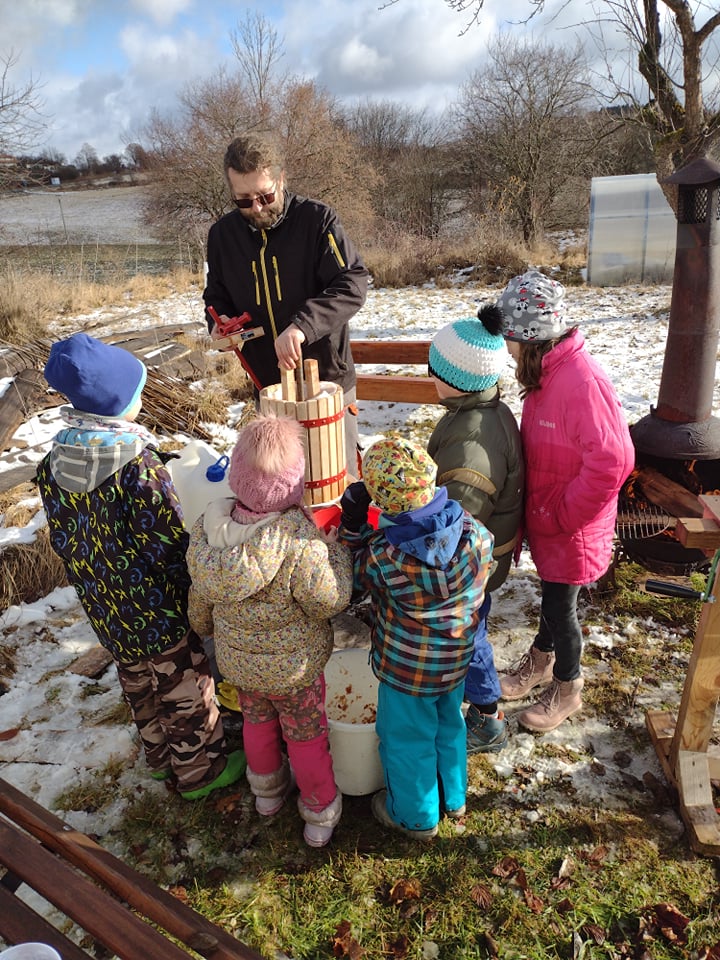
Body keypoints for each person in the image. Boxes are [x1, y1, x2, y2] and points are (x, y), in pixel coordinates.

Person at [37, 333, 245, 800]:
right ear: (116, 404)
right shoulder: (136, 464)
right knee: (182, 685)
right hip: (156, 606)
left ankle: (158, 758)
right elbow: (165, 543)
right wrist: (191, 584)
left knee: (137, 681)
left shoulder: (55, 461)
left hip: (105, 602)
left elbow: (63, 535)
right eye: (136, 394)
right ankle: (200, 771)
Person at [185, 414, 353, 848]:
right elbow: (328, 600)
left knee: (257, 726)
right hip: (294, 672)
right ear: (294, 485)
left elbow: (201, 602)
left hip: (240, 666)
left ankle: (267, 795)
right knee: (306, 738)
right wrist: (335, 555)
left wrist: (205, 627)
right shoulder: (298, 539)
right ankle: (318, 811)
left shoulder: (208, 532)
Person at [496, 270, 635, 732]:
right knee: (553, 598)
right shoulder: (550, 372)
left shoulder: (580, 382)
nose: (507, 348)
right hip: (552, 519)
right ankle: (540, 659)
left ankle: (568, 685)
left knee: (561, 608)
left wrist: (563, 514)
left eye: (511, 338)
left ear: (530, 337)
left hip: (571, 525)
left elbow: (614, 460)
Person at [338, 438, 494, 839]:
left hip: (405, 672)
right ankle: (453, 799)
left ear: (383, 501)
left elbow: (349, 580)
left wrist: (353, 525)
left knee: (406, 741)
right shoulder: (476, 533)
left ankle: (416, 817)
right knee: (448, 726)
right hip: (455, 662)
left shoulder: (383, 557)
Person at [203, 130, 369, 477]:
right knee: (279, 487)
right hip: (268, 388)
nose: (256, 208)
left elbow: (352, 282)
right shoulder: (222, 236)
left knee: (338, 484)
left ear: (281, 179)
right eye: (243, 200)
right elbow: (215, 294)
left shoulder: (318, 220)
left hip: (327, 382)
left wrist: (302, 326)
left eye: (265, 195)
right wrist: (219, 323)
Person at [427, 306, 524, 754]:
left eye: (435, 371)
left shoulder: (472, 448)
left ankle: (487, 716)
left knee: (467, 633)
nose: (430, 377)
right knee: (471, 627)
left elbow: (457, 528)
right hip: (486, 553)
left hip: (473, 564)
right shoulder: (478, 409)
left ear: (456, 379)